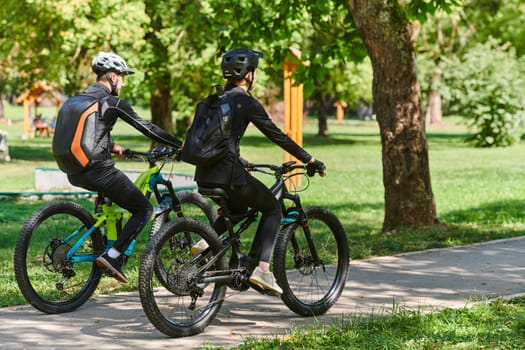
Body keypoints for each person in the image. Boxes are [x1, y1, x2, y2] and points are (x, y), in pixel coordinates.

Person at [191, 48, 326, 294]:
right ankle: (263, 270)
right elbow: (276, 135)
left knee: (239, 208)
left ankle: (205, 242)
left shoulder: (212, 99)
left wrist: (241, 161)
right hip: (229, 176)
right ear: (249, 75)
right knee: (272, 208)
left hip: (204, 175)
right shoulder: (245, 101)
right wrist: (310, 159)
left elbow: (218, 141)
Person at [52, 51, 182, 283]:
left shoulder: (76, 99)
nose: (123, 82)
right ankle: (112, 257)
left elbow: (89, 131)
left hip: (73, 170)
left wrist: (112, 146)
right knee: (143, 209)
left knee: (113, 206)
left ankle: (101, 238)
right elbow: (146, 127)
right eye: (122, 76)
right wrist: (180, 145)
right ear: (112, 77)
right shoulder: (110, 101)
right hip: (98, 169)